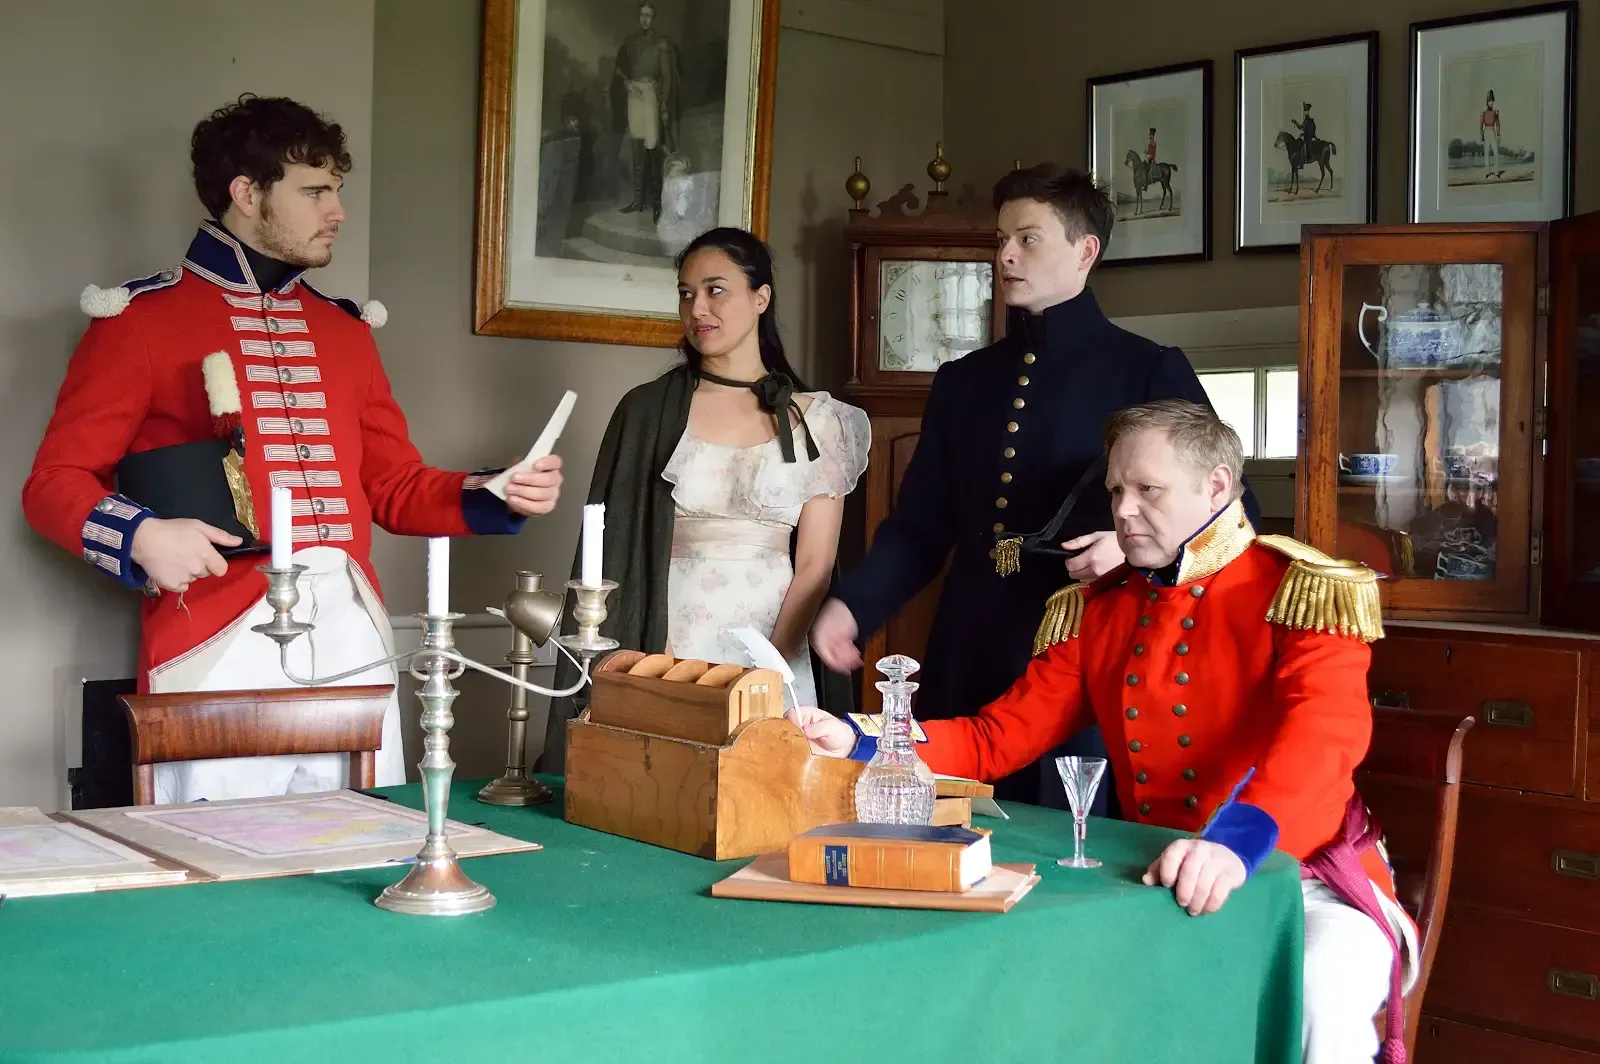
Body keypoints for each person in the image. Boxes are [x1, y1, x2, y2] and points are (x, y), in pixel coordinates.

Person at [792, 400, 1417, 1064]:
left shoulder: (1303, 591)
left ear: (1216, 486)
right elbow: (995, 739)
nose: (1123, 510)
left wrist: (1234, 845)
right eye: (1117, 490)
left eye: (1148, 489)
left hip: (1308, 882)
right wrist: (863, 739)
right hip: (1153, 882)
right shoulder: (1103, 608)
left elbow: (1321, 742)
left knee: (1319, 991)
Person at [23, 95, 562, 803]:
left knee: (365, 841)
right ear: (246, 195)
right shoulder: (139, 321)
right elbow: (54, 484)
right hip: (216, 636)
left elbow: (394, 486)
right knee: (224, 852)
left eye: (335, 190)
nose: (337, 211)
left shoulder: (344, 331)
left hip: (354, 636)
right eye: (314, 192)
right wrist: (142, 536)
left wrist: (493, 491)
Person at [810, 163, 1257, 808]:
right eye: (1001, 240)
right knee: (947, 821)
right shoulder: (964, 381)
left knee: (1064, 838)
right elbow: (920, 526)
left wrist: (1129, 552)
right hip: (967, 644)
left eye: (1027, 239)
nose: (1006, 256)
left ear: (1085, 251)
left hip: (1083, 649)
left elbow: (1233, 510)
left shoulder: (1147, 368)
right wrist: (852, 607)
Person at [541, 227, 865, 769]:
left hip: (775, 640)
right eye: (686, 293)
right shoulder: (649, 411)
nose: (697, 309)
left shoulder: (820, 421)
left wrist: (770, 667)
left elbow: (815, 564)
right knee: (665, 782)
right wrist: (659, 663)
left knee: (769, 785)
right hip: (668, 636)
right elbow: (622, 550)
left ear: (761, 297)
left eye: (716, 290)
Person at [612, 2, 680, 222]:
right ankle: (637, 200)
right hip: (634, 95)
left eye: (648, 16)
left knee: (652, 149)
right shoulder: (631, 42)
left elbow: (667, 77)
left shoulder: (661, 44)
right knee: (636, 148)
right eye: (642, 15)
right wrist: (626, 84)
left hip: (651, 95)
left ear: (653, 18)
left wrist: (663, 104)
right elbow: (621, 69)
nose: (645, 19)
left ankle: (657, 205)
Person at [1480, 90, 1502, 179]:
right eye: (1489, 101)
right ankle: (1487, 171)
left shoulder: (1495, 112)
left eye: (1492, 101)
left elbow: (1498, 124)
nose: (1491, 103)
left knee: (1496, 151)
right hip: (1486, 132)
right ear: (1487, 102)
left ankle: (1497, 172)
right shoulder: (1483, 113)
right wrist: (1482, 136)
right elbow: (1480, 126)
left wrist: (1498, 134)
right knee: (1486, 152)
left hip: (1492, 131)